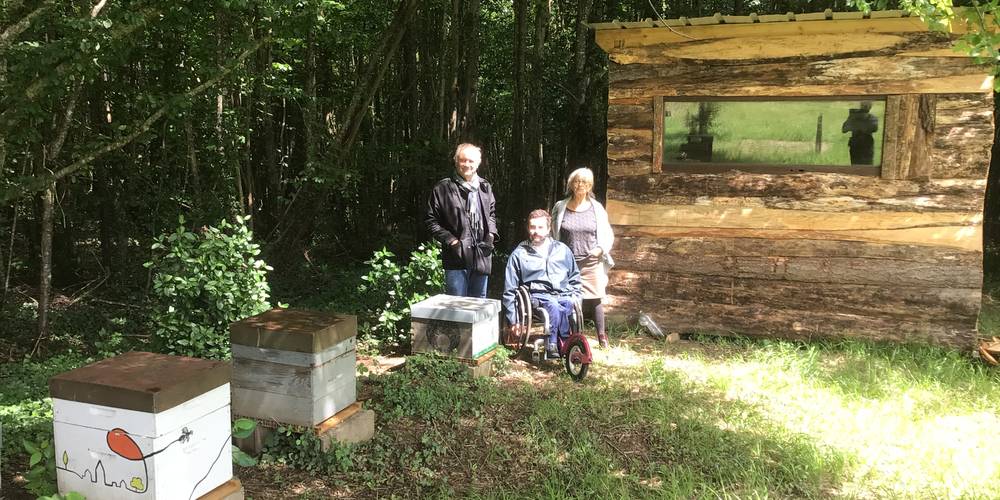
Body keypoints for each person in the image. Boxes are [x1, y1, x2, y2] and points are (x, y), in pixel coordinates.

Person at [503, 209, 582, 358]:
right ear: (528, 228)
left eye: (540, 227)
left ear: (548, 229)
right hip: (537, 296)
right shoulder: (520, 253)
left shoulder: (562, 250)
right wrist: (513, 320)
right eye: (532, 227)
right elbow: (510, 289)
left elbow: (575, 277)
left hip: (563, 293)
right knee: (553, 305)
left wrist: (577, 296)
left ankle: (566, 343)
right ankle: (552, 344)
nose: (536, 231)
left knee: (567, 302)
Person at [552, 168, 615, 348]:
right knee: (569, 298)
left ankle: (601, 336)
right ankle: (573, 336)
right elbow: (554, 232)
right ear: (571, 184)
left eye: (585, 182)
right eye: (577, 181)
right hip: (566, 262)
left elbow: (607, 233)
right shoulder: (560, 206)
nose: (580, 185)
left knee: (595, 298)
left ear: (590, 186)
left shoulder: (597, 208)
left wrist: (601, 249)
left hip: (591, 261)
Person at [425, 143, 498, 298]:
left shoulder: (485, 187)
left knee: (479, 307)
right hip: (456, 258)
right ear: (456, 161)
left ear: (478, 163)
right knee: (457, 307)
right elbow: (431, 221)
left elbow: (491, 214)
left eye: (471, 161)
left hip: (481, 255)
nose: (466, 164)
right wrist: (452, 242)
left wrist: (491, 236)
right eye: (462, 160)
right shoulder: (443, 188)